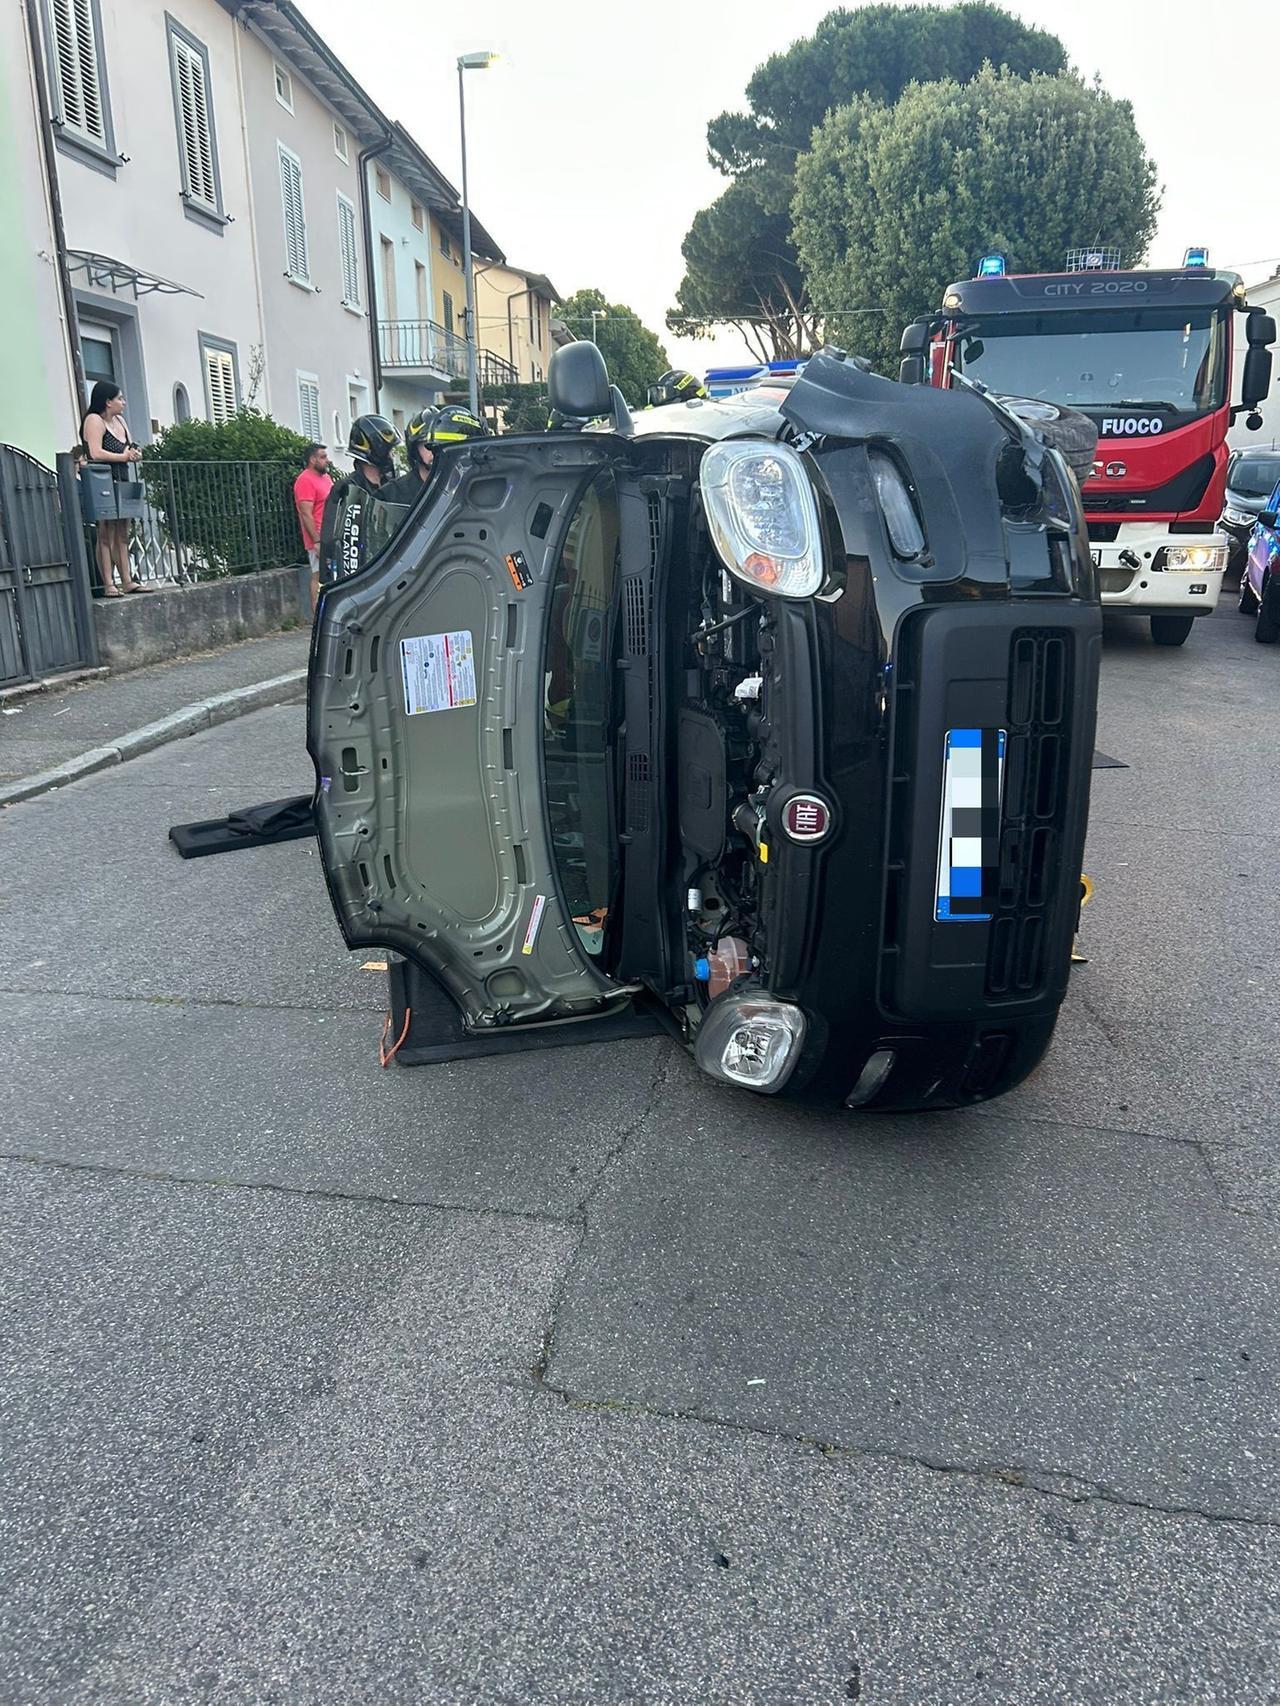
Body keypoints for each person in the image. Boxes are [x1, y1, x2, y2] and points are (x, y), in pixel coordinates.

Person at [319, 414, 400, 586]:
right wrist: (330, 580)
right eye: (389, 450)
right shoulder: (346, 488)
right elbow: (329, 538)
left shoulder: (393, 485)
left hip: (390, 570)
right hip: (359, 573)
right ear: (377, 449)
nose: (393, 455)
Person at [80, 381, 143, 596]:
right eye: (120, 398)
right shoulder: (94, 420)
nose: (123, 402)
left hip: (122, 478)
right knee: (105, 532)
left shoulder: (120, 421)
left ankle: (127, 580)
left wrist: (134, 453)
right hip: (102, 480)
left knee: (122, 532)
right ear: (108, 402)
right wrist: (123, 457)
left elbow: (129, 446)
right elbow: (95, 452)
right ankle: (108, 583)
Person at [292, 443, 332, 613]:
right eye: (323, 457)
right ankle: (317, 617)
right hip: (318, 538)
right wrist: (316, 541)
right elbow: (306, 513)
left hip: (330, 534)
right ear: (312, 459)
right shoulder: (305, 480)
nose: (327, 460)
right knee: (318, 576)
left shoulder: (326, 478)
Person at [379, 408, 440, 507]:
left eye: (442, 443)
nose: (435, 450)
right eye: (427, 444)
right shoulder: (390, 495)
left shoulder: (463, 488)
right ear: (414, 450)